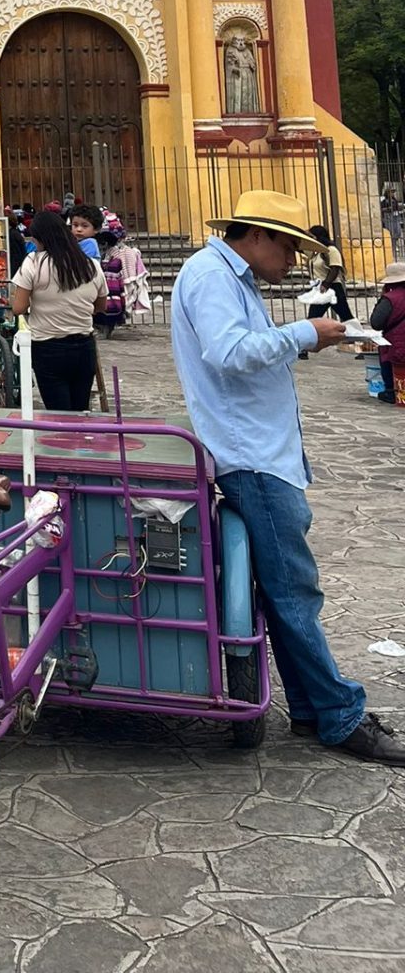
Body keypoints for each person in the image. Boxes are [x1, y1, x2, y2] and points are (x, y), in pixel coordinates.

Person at [171, 189, 404, 765]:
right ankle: (339, 714)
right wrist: (307, 334)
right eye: (292, 247)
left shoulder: (231, 277)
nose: (296, 261)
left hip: (261, 450)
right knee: (294, 591)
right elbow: (228, 353)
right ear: (258, 236)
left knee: (284, 591)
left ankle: (310, 708)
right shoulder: (211, 277)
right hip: (251, 455)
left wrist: (309, 338)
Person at [11, 205, 107, 412]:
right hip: (83, 346)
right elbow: (101, 306)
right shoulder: (90, 264)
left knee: (59, 414)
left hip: (48, 348)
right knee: (80, 410)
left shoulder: (33, 262)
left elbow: (18, 307)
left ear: (40, 238)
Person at [368, 260, 405, 406]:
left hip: (397, 342)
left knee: (389, 361)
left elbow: (376, 323)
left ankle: (391, 391)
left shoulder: (390, 299)